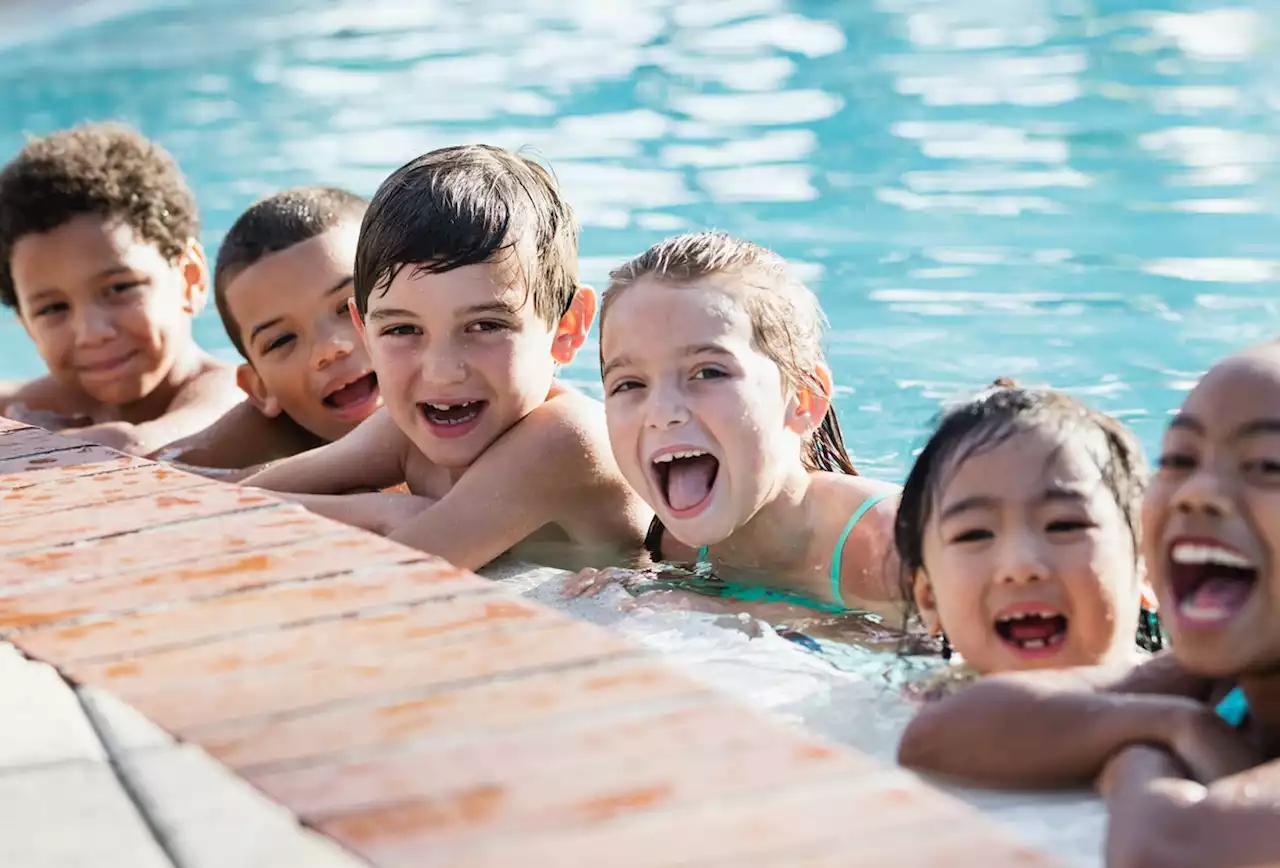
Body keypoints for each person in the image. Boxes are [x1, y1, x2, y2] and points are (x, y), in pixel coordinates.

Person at [895, 345, 1280, 868]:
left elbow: (1174, 848)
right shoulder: (1219, 680)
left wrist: (1133, 756)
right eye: (1180, 459)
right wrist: (1173, 724)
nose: (1198, 492)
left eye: (1267, 465)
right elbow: (939, 734)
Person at [241, 145, 650, 570]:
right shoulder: (410, 431)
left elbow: (393, 580)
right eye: (402, 329)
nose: (441, 373)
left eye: (485, 326)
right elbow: (229, 508)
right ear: (365, 332)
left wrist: (384, 521)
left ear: (567, 328)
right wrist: (380, 512)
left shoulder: (564, 440)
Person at [566, 232, 900, 621]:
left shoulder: (890, 544)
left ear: (804, 399)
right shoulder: (677, 548)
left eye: (708, 372)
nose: (662, 411)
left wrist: (733, 609)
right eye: (630, 384)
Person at [892, 379, 1161, 685]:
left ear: (1147, 565)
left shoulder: (1201, 708)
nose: (1020, 565)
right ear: (929, 598)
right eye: (975, 534)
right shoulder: (916, 716)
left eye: (1064, 525)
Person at [0, 122, 239, 454]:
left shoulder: (234, 394)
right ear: (27, 325)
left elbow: (136, 447)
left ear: (190, 277)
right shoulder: (53, 402)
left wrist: (41, 440)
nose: (92, 333)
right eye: (53, 308)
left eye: (119, 288)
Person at [155, 186, 380, 478]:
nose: (328, 348)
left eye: (347, 307)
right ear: (260, 389)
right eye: (282, 340)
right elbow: (160, 474)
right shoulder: (267, 439)